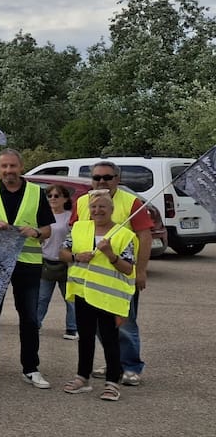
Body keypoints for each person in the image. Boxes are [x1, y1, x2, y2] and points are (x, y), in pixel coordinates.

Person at [0, 149, 54, 389]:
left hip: (27, 263)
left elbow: (47, 229)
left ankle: (31, 368)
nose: (8, 171)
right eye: (4, 167)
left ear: (21, 167)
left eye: (13, 166)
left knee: (29, 318)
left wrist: (36, 232)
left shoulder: (36, 193)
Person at [70, 161, 153, 387]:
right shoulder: (82, 202)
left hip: (119, 277)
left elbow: (145, 237)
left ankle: (132, 367)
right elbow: (75, 232)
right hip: (89, 280)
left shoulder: (131, 202)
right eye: (97, 178)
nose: (102, 182)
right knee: (98, 328)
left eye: (107, 177)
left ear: (117, 178)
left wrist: (141, 271)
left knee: (124, 324)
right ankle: (114, 363)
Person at [60, 191, 136, 402]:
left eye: (102, 206)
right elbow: (63, 253)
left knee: (110, 339)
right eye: (93, 207)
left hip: (108, 297)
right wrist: (76, 257)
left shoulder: (124, 234)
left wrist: (111, 254)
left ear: (111, 210)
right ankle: (82, 377)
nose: (97, 210)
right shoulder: (79, 228)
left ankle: (112, 382)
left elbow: (128, 268)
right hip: (83, 294)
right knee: (85, 338)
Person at [38, 185, 77, 340]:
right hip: (46, 260)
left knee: (70, 298)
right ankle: (35, 324)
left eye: (57, 195)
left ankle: (72, 328)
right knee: (41, 298)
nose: (53, 198)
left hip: (66, 263)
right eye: (50, 196)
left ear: (65, 199)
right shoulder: (42, 216)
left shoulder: (69, 217)